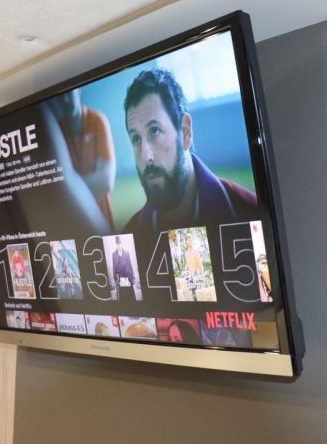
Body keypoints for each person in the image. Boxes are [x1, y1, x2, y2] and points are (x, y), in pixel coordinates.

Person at [122, 69, 257, 232]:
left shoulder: (250, 212)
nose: (146, 156)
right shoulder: (129, 234)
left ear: (185, 132)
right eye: (136, 138)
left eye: (155, 131)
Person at [50, 89, 116, 230]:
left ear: (79, 91)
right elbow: (57, 190)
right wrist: (93, 179)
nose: (65, 100)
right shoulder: (57, 130)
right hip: (74, 222)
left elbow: (106, 182)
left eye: (68, 93)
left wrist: (70, 184)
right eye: (60, 96)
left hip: (102, 220)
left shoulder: (97, 120)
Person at [110, 235, 136, 301]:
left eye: (120, 243)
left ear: (122, 243)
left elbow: (130, 265)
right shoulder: (114, 254)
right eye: (118, 244)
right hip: (120, 278)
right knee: (123, 296)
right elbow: (114, 267)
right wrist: (115, 279)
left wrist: (133, 277)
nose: (119, 245)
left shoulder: (126, 253)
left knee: (130, 295)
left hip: (128, 276)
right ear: (116, 244)